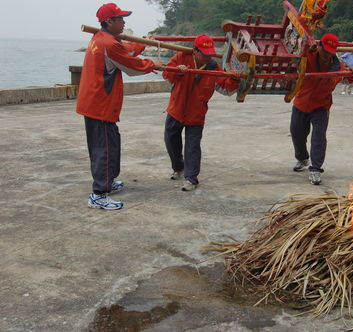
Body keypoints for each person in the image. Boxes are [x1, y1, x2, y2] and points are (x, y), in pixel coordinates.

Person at [76, 3, 164, 210]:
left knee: (110, 143)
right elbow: (131, 66)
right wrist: (154, 64)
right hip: (100, 105)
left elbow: (124, 51)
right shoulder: (108, 43)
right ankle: (98, 194)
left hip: (95, 102)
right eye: (120, 18)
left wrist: (142, 44)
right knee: (103, 149)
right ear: (109, 21)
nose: (124, 22)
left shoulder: (101, 38)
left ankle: (107, 182)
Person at [162, 35, 241, 191]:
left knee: (192, 146)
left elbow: (225, 89)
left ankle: (191, 178)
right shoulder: (181, 56)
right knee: (171, 141)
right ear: (195, 51)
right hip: (175, 109)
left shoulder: (213, 67)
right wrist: (178, 72)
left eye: (209, 53)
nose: (208, 56)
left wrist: (235, 79)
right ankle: (178, 167)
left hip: (197, 113)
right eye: (204, 53)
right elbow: (167, 75)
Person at [291, 33, 353, 185]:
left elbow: (347, 79)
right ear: (319, 47)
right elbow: (293, 61)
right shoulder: (306, 57)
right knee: (296, 132)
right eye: (325, 51)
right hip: (301, 103)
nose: (327, 55)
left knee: (318, 137)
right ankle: (302, 158)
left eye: (330, 53)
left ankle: (316, 168)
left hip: (321, 106)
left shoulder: (338, 66)